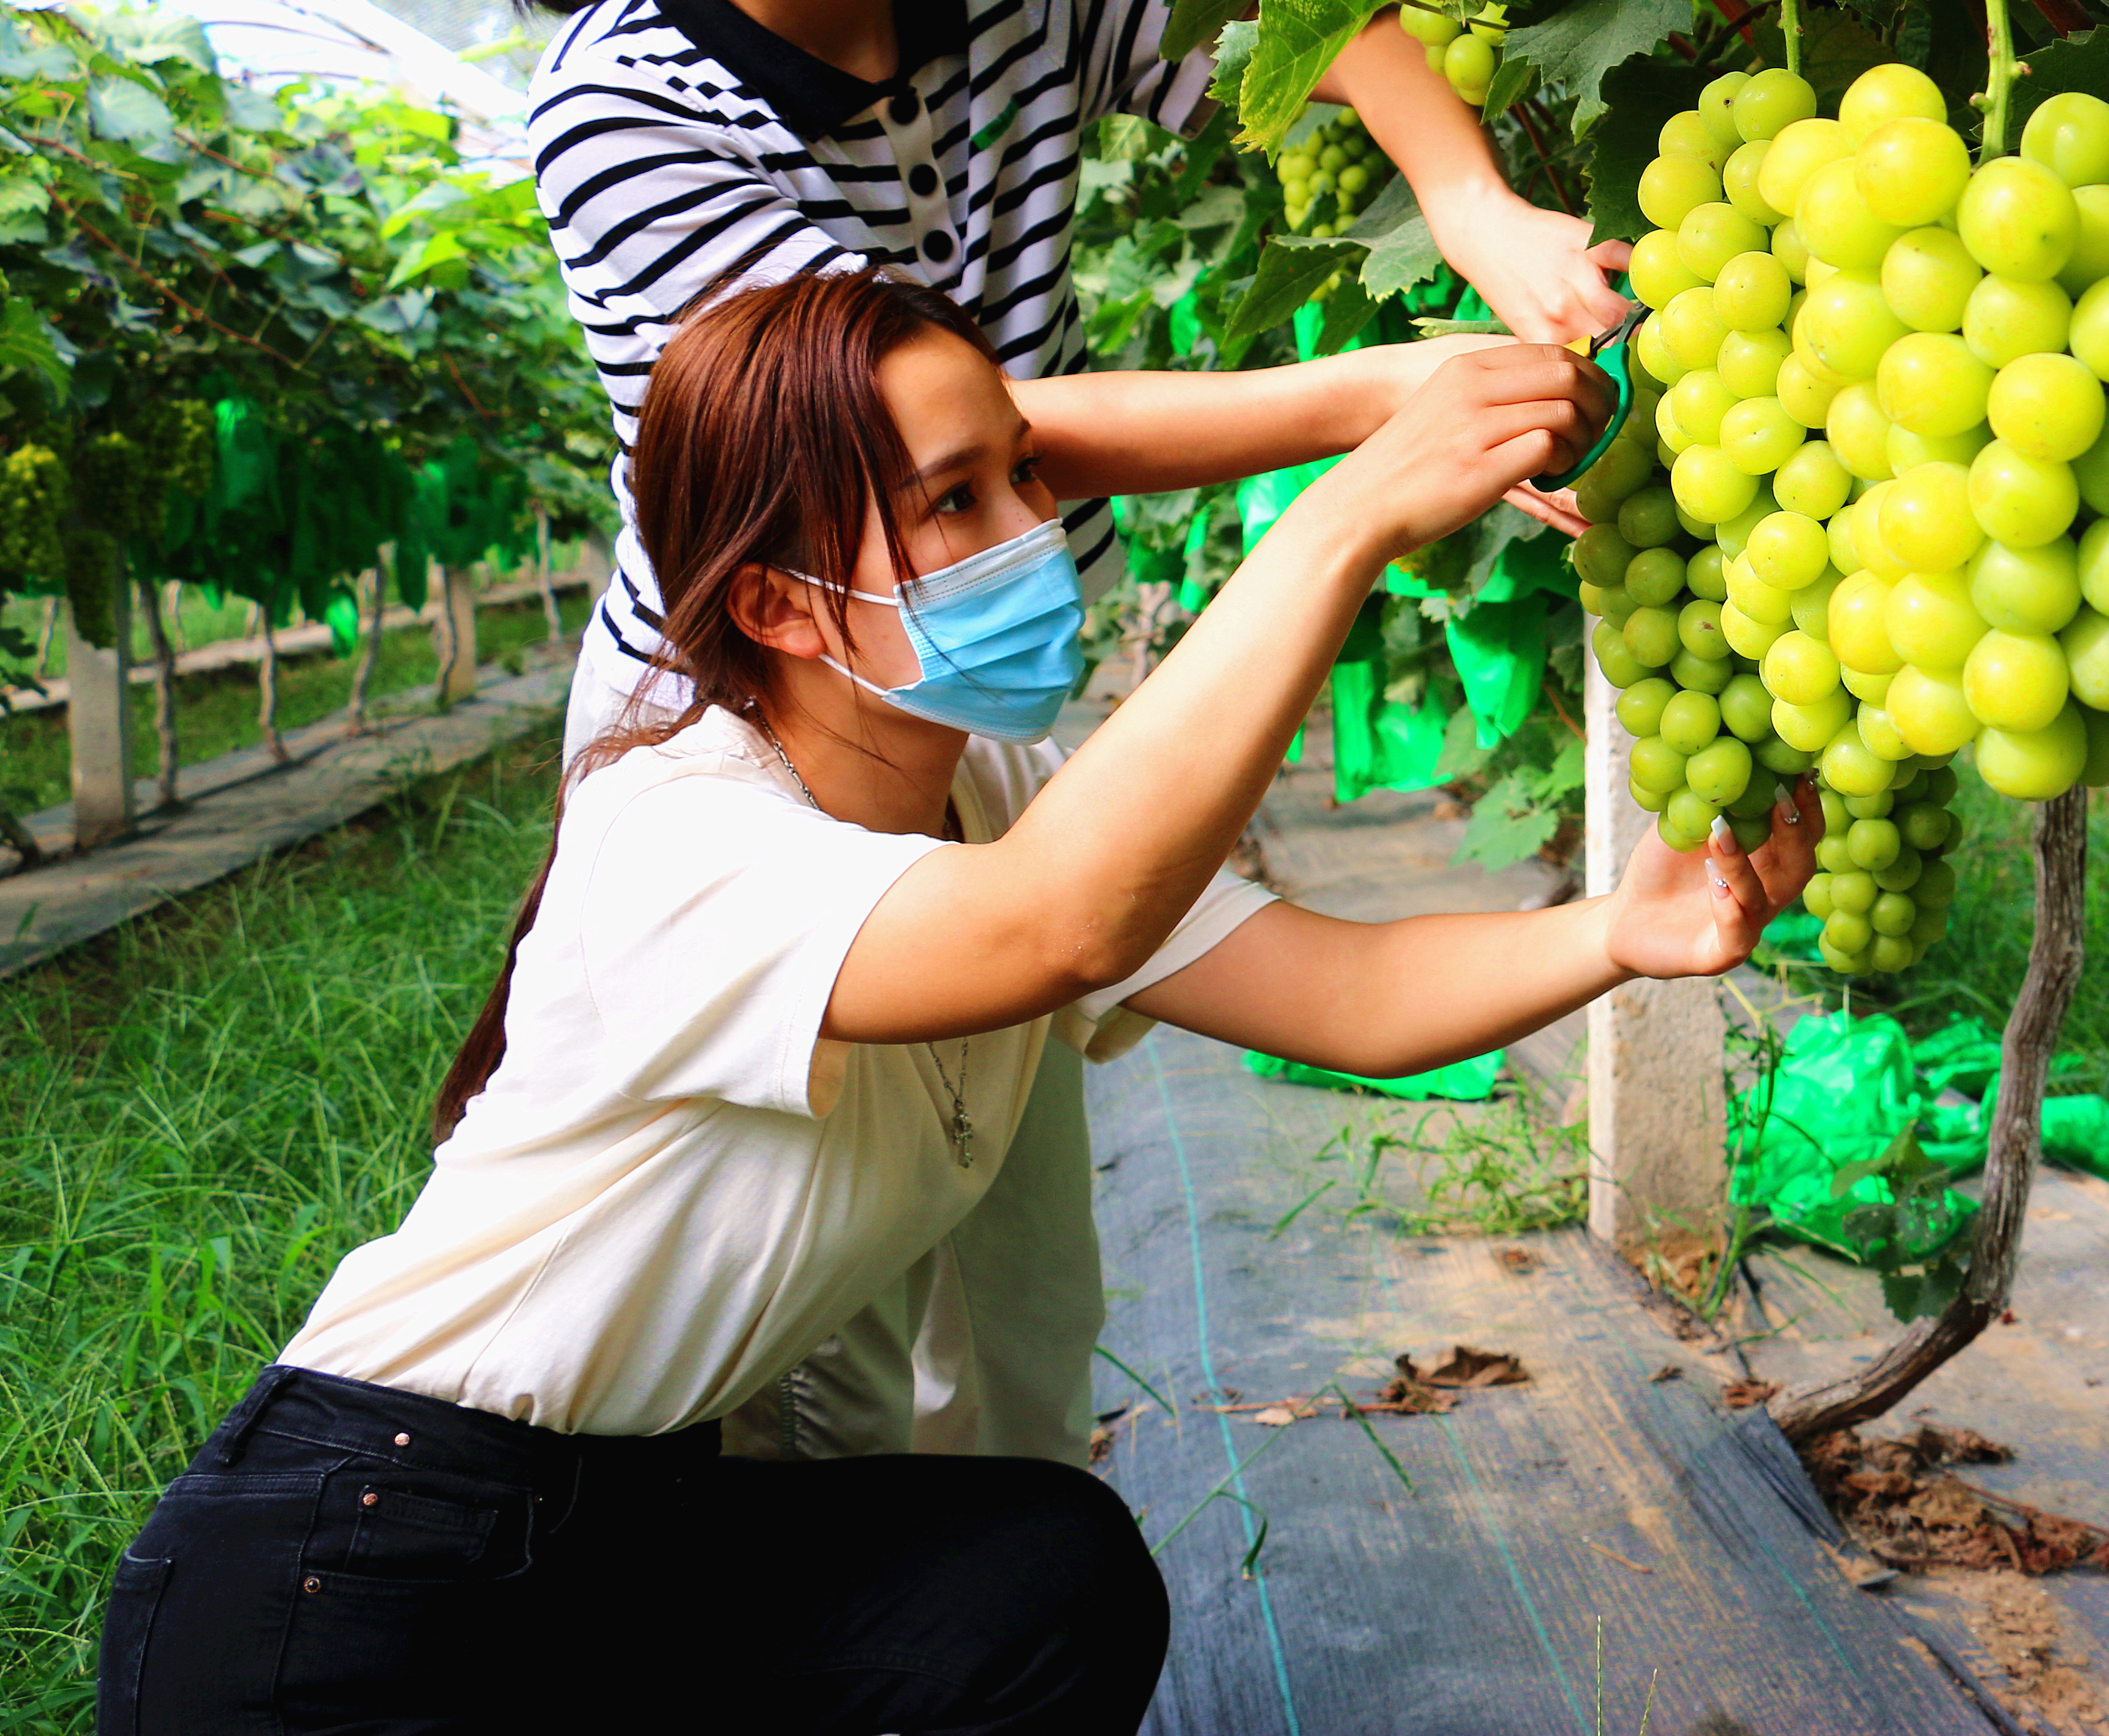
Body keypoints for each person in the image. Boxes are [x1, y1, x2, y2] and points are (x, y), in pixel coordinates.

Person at [97, 270, 1816, 1735]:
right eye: (958, 501)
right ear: (776, 600)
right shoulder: (680, 829)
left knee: (1036, 1576)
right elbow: (1056, 926)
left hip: (631, 1532)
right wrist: (1353, 503)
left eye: (1026, 479)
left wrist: (1625, 927)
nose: (1034, 531)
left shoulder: (990, 785)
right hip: (357, 1565)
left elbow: (1346, 990)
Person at [498, 0, 1629, 1464]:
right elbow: (922, 442)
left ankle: (978, 1583)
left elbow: (1313, 37)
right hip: (768, 708)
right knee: (777, 1282)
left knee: (1015, 1289)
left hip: (993, 684)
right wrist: (1374, 414)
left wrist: (1469, 198)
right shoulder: (617, 115)